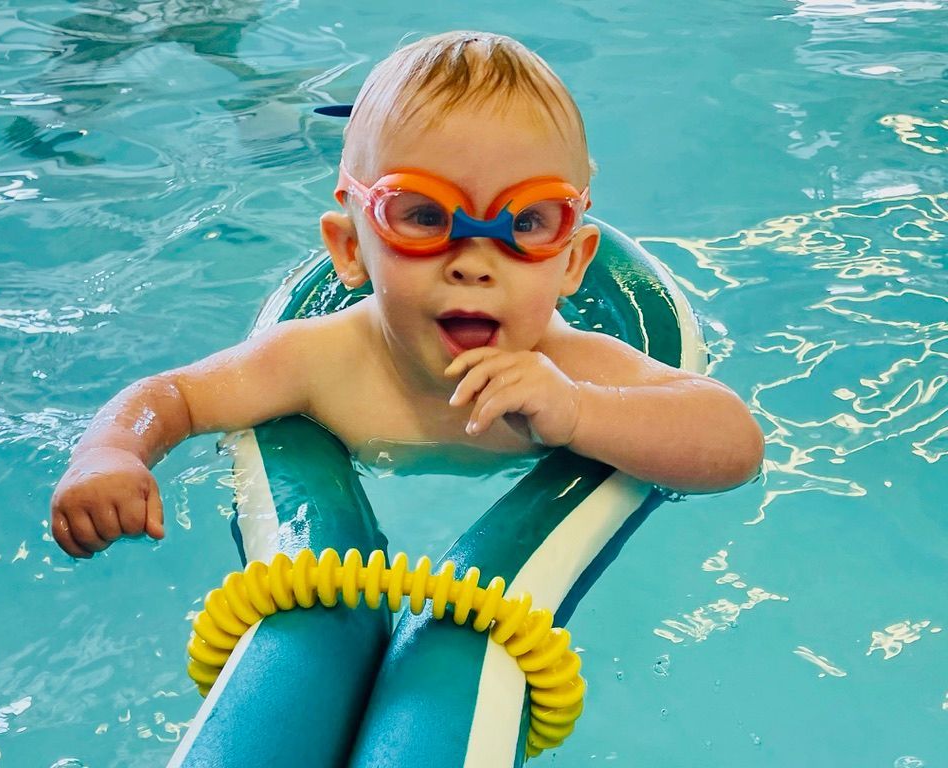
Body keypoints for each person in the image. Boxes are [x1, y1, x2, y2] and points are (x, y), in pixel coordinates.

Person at [50, 31, 764, 559]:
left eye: (526, 223)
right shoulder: (321, 360)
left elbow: (733, 443)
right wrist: (109, 455)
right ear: (352, 248)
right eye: (424, 217)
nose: (475, 265)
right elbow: (172, 396)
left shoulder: (571, 367)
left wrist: (578, 413)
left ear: (575, 260)